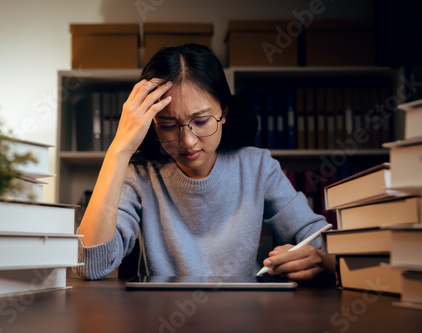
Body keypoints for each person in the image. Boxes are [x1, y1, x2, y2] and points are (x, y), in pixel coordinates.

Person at [75, 43, 335, 282]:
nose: (187, 141)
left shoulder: (258, 168)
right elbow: (89, 265)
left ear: (224, 112)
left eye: (201, 121)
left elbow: (327, 246)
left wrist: (321, 261)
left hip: (244, 315)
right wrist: (119, 150)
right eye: (167, 125)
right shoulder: (139, 177)